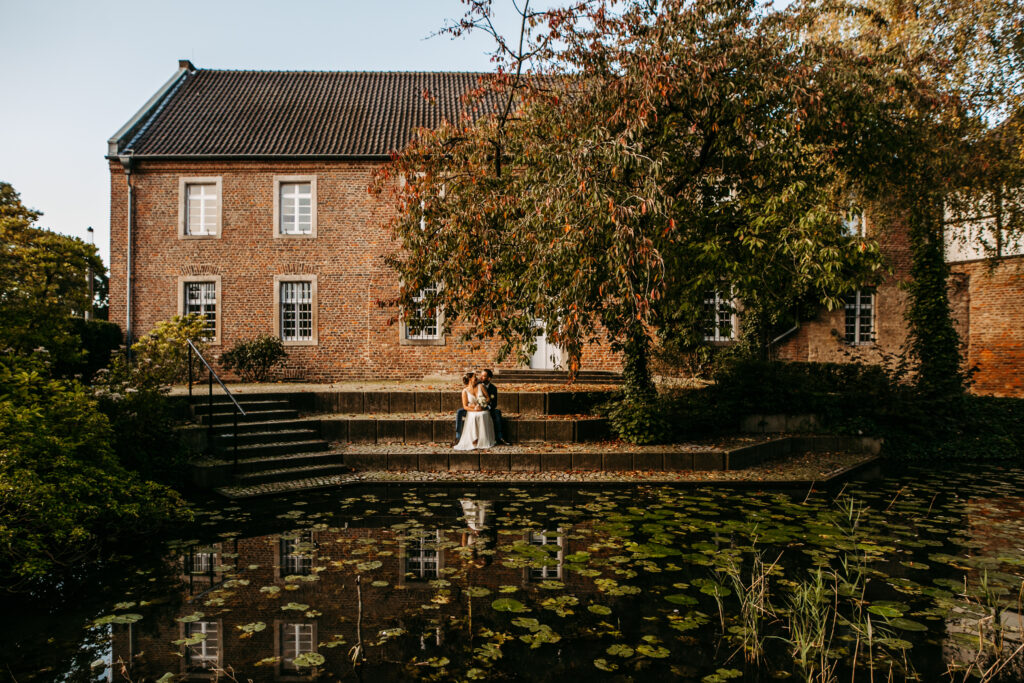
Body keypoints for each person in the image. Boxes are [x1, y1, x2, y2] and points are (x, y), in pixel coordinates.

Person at [453, 372, 495, 450]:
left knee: (483, 414)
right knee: (474, 416)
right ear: (470, 379)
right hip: (472, 410)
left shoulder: (481, 386)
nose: (477, 378)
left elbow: (488, 398)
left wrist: (483, 404)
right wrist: (474, 409)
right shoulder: (465, 391)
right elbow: (465, 406)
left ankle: (483, 439)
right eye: (474, 377)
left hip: (482, 409)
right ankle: (474, 439)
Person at [478, 369, 509, 445]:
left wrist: (487, 407)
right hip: (477, 408)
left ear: (489, 378)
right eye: (481, 375)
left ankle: (500, 437)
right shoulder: (478, 386)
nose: (481, 377)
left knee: (497, 412)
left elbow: (494, 403)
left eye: (483, 376)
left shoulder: (493, 388)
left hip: (489, 408)